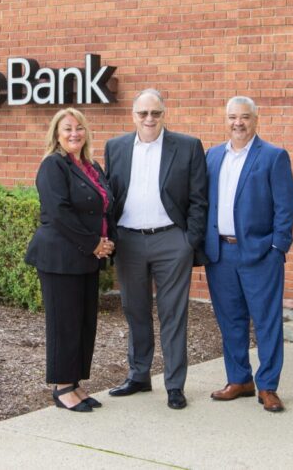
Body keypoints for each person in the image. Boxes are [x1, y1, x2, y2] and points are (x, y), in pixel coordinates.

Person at [104, 89, 207, 410]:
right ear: (133, 115)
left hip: (171, 242)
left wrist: (189, 240)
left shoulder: (188, 147)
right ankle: (139, 375)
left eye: (156, 113)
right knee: (135, 311)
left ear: (164, 114)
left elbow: (199, 199)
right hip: (129, 241)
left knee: (173, 314)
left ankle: (175, 385)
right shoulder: (115, 147)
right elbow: (111, 195)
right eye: (143, 113)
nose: (149, 119)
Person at [204, 96, 293, 412]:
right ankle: (239, 379)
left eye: (244, 117)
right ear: (226, 119)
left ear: (256, 119)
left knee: (267, 321)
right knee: (230, 320)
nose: (238, 123)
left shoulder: (273, 156)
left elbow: (286, 206)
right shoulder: (212, 157)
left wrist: (277, 247)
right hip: (221, 254)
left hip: (260, 254)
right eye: (232, 117)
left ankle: (268, 386)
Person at [25, 108, 115, 413]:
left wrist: (107, 241)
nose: (74, 133)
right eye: (67, 129)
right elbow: (59, 212)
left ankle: (75, 381)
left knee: (84, 322)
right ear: (56, 135)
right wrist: (93, 244)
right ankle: (62, 387)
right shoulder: (53, 166)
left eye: (79, 128)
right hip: (59, 258)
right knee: (64, 323)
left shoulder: (91, 166)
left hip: (87, 257)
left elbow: (103, 208)